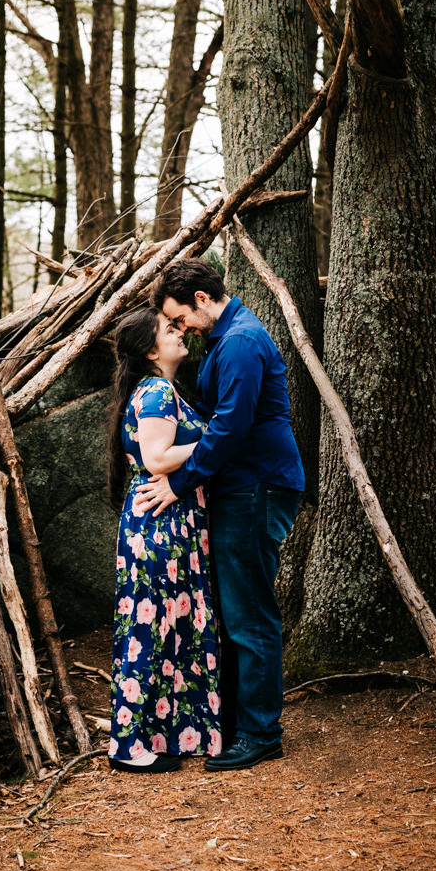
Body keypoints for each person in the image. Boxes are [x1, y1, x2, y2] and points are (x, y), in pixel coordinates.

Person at [134, 257, 304, 770]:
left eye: (179, 316)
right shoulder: (225, 340)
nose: (180, 327)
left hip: (257, 488)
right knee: (235, 611)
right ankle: (233, 724)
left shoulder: (241, 343)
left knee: (250, 613)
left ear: (202, 301)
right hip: (240, 488)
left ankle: (260, 733)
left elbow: (229, 428)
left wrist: (179, 482)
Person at [106, 306, 222, 774]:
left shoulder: (163, 389)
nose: (179, 334)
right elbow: (157, 457)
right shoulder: (155, 390)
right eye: (168, 330)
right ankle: (127, 746)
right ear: (151, 350)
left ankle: (167, 733)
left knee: (173, 625)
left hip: (171, 521)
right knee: (148, 628)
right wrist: (220, 438)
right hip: (160, 522)